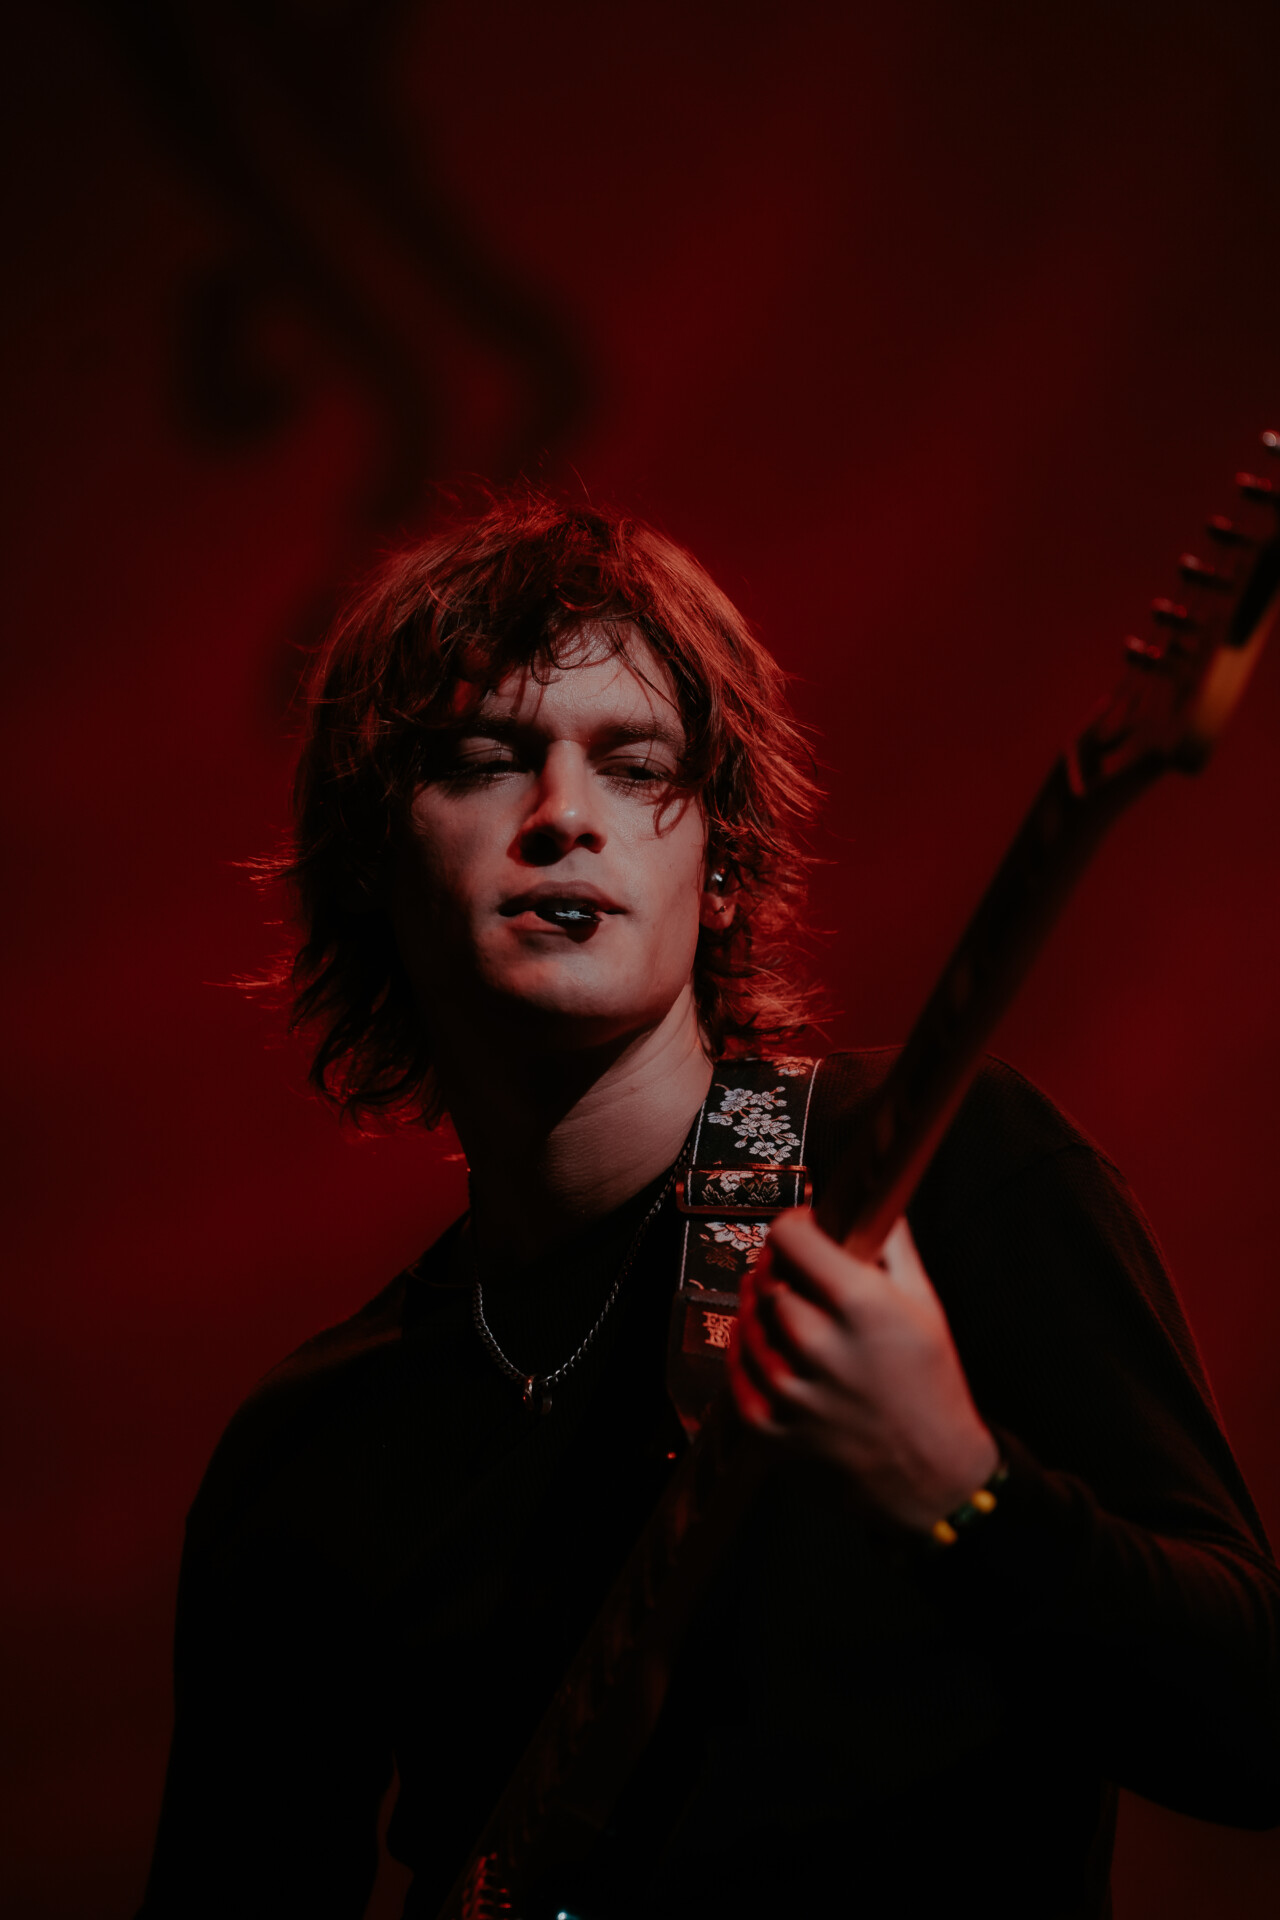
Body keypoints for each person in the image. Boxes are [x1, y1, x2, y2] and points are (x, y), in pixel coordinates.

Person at [139, 494, 1280, 1919]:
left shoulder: (931, 1169)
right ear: (372, 861)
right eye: (487, 761)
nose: (564, 817)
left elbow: (1255, 1728)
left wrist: (962, 1488)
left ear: (722, 869)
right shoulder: (310, 1448)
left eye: (635, 768)